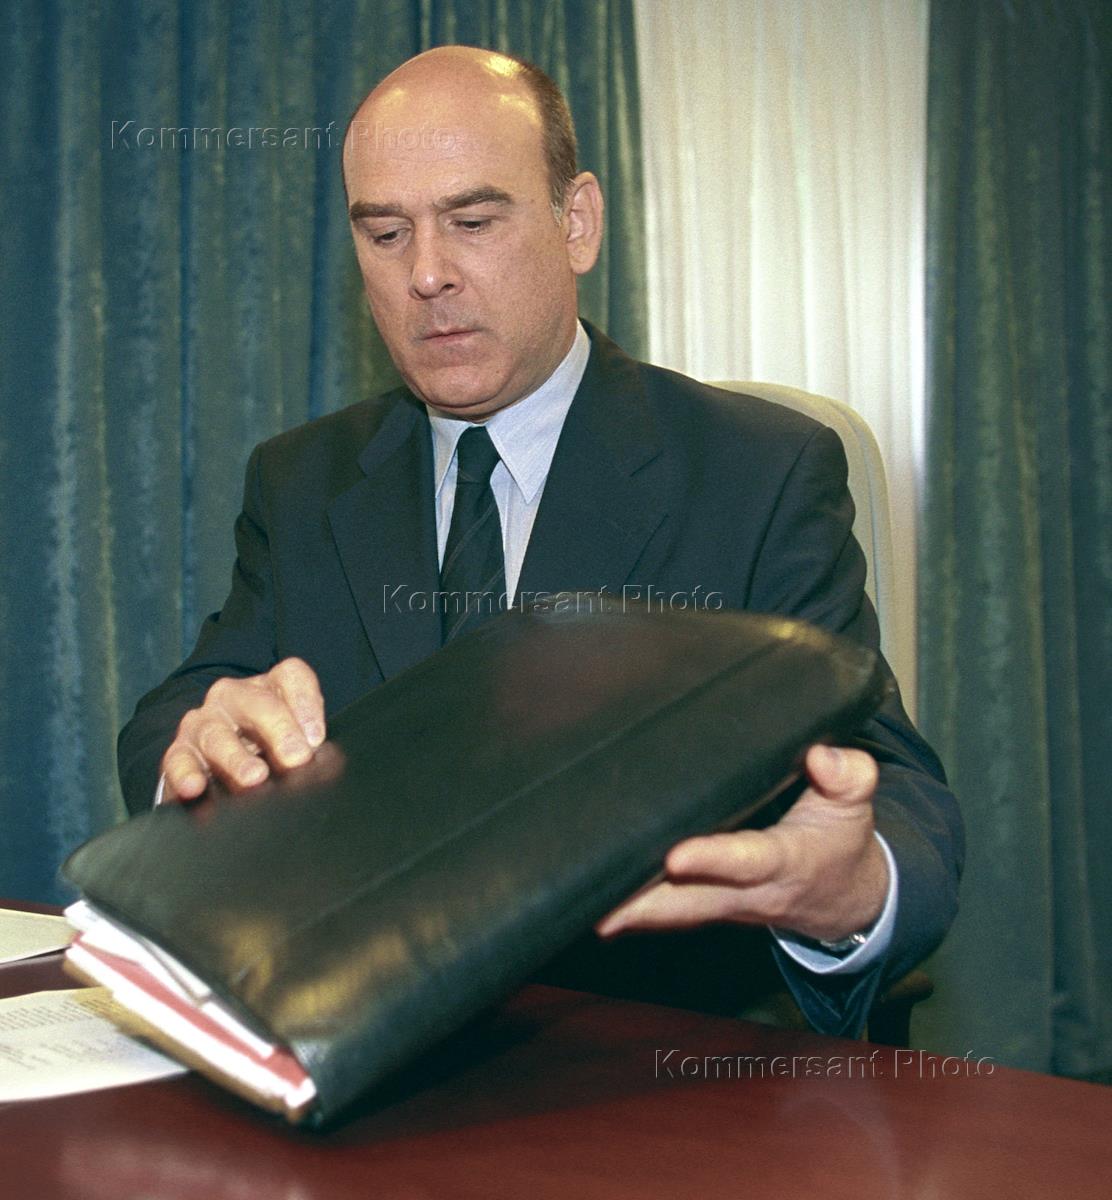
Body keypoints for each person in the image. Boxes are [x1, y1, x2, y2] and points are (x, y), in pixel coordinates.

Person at [118, 46, 962, 1037]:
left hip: (644, 1054)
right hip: (354, 1044)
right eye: (385, 233)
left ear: (578, 222)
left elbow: (887, 779)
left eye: (473, 223)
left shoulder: (757, 470)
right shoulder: (302, 480)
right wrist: (198, 749)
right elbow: (187, 708)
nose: (426, 274)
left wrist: (853, 888)